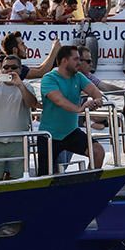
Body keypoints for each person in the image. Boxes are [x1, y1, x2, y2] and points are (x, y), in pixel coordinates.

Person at [37, 45, 104, 175]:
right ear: (64, 61)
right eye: (76, 59)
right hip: (49, 135)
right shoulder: (49, 78)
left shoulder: (78, 76)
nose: (79, 63)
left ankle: (88, 187)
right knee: (45, 175)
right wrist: (80, 109)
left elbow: (95, 91)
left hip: (70, 132)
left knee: (98, 151)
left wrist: (97, 100)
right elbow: (59, 100)